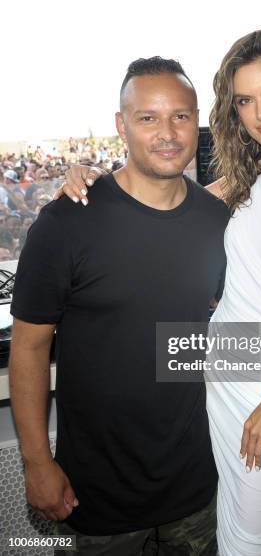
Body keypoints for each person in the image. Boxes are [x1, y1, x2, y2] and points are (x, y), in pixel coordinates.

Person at [56, 29, 261, 555]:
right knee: (225, 535)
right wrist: (90, 179)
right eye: (245, 100)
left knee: (250, 542)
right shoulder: (253, 177)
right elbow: (162, 195)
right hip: (217, 375)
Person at [9, 57, 229, 556]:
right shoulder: (68, 221)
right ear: (121, 125)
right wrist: (38, 464)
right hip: (98, 496)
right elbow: (28, 347)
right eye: (148, 117)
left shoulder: (216, 220)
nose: (168, 133)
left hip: (198, 488)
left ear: (198, 121)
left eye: (181, 115)